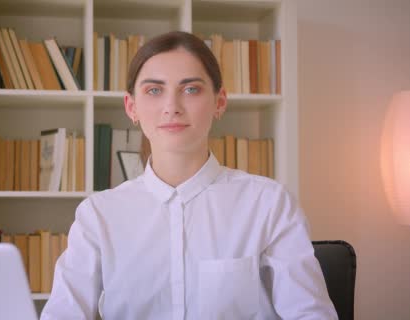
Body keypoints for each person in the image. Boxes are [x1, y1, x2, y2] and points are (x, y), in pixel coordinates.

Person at [41, 31, 337, 320]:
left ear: (220, 102)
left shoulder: (269, 205)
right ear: (131, 107)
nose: (172, 107)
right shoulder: (98, 216)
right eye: (154, 90)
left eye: (191, 89)